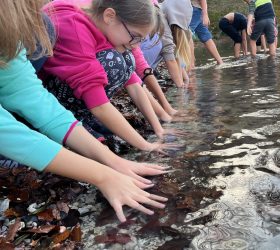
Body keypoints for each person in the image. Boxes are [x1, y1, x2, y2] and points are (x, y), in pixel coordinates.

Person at [0, 0, 167, 222]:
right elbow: (6, 131)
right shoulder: (71, 27)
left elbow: (31, 96)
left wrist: (113, 161)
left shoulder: (16, 25)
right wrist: (101, 176)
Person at [40, 0, 180, 150]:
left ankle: (85, 116)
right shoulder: (75, 27)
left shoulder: (102, 26)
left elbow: (132, 81)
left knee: (127, 59)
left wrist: (159, 128)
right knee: (114, 61)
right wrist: (145, 145)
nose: (136, 45)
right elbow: (99, 105)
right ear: (109, 16)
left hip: (63, 87)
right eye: (135, 36)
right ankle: (75, 117)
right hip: (45, 98)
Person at [140, 0, 191, 88]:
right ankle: (140, 77)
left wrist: (185, 78)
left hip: (136, 53)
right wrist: (180, 86)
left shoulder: (160, 9)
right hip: (138, 62)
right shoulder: (161, 20)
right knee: (161, 45)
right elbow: (170, 59)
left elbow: (176, 56)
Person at [189, 0, 223, 66]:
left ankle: (191, 64)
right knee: (206, 37)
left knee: (187, 35)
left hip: (193, 10)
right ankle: (220, 62)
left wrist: (205, 14)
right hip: (197, 10)